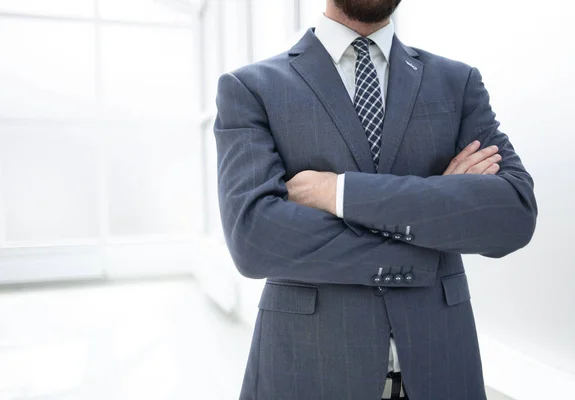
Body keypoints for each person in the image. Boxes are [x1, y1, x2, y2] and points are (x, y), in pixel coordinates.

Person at [213, 0, 537, 398]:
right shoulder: (251, 88)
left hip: (444, 370)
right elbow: (254, 239)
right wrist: (438, 210)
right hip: (306, 373)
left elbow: (512, 214)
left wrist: (339, 192)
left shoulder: (457, 83)